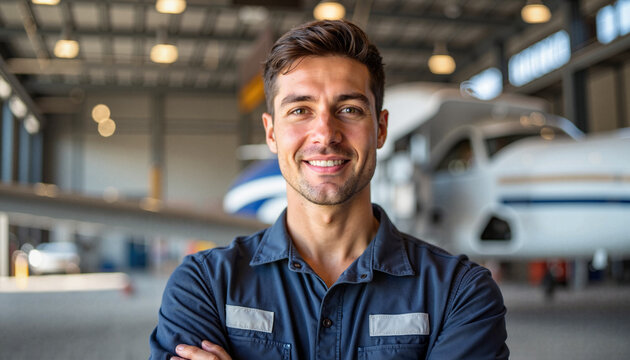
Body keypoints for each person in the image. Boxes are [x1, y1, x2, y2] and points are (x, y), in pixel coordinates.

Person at [150, 19, 509, 360]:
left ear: (380, 128)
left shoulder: (460, 294)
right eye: (300, 110)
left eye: (349, 109)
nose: (325, 134)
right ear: (271, 132)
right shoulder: (204, 286)